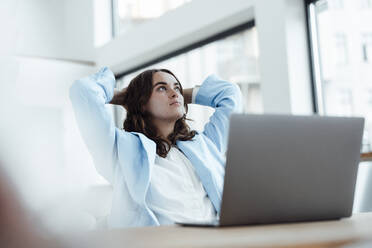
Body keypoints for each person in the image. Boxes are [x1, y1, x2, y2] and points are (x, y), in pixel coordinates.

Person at [69, 67, 242, 228]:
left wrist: (180, 96)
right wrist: (124, 96)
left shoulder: (205, 144)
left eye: (177, 88)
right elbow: (83, 91)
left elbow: (230, 94)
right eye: (161, 88)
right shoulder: (119, 149)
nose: (174, 93)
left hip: (215, 240)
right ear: (142, 103)